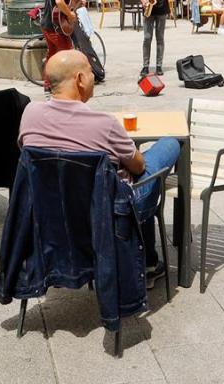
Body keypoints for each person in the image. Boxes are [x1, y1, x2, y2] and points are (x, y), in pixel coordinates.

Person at [18, 50, 179, 268]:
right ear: (80, 79)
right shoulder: (105, 124)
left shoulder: (30, 114)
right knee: (167, 146)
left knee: (134, 170)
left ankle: (148, 260)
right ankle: (148, 262)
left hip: (53, 208)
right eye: (90, 71)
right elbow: (139, 167)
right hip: (110, 211)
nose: (94, 75)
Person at [139, 0, 172, 75]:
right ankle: (145, 66)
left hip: (161, 9)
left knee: (160, 38)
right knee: (147, 38)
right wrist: (143, 1)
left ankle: (159, 65)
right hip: (148, 9)